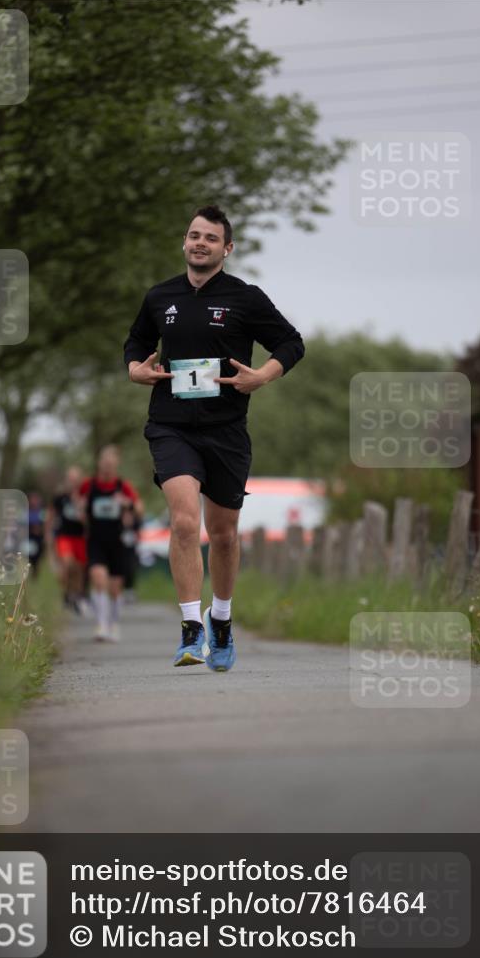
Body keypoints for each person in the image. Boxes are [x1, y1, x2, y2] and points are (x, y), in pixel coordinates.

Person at [124, 204, 304, 671]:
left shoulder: (245, 298)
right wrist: (136, 369)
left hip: (226, 430)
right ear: (184, 243)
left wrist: (261, 375)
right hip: (170, 424)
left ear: (227, 248)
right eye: (193, 235)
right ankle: (190, 629)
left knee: (222, 535)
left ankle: (221, 620)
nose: (199, 243)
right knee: (185, 522)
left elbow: (290, 342)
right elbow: (136, 342)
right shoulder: (159, 297)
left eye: (210, 238)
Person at [80, 445, 143, 642]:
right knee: (98, 578)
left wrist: (128, 504)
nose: (106, 467)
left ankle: (113, 623)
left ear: (116, 465)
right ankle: (101, 625)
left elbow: (140, 509)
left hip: (117, 541)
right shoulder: (88, 486)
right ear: (99, 463)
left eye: (110, 463)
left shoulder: (123, 486)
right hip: (96, 540)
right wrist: (81, 511)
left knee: (115, 587)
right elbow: (79, 507)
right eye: (103, 462)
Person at [47, 466, 87, 611]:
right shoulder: (60, 497)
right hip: (64, 535)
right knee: (67, 564)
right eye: (71, 479)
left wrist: (80, 506)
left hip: (80, 536)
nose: (73, 482)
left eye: (76, 479)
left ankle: (75, 595)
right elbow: (50, 515)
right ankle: (66, 593)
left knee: (78, 569)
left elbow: (88, 519)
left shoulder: (84, 497)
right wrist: (48, 534)